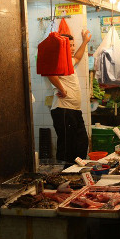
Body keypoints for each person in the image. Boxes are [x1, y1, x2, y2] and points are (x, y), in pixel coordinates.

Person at [47, 30, 91, 165]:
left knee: (81, 142)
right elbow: (50, 73)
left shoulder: (68, 61)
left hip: (73, 110)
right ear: (61, 47)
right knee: (67, 146)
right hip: (63, 109)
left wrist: (85, 42)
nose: (72, 48)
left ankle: (75, 172)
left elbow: (77, 57)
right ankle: (63, 175)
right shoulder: (56, 60)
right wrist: (62, 89)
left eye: (72, 45)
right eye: (69, 46)